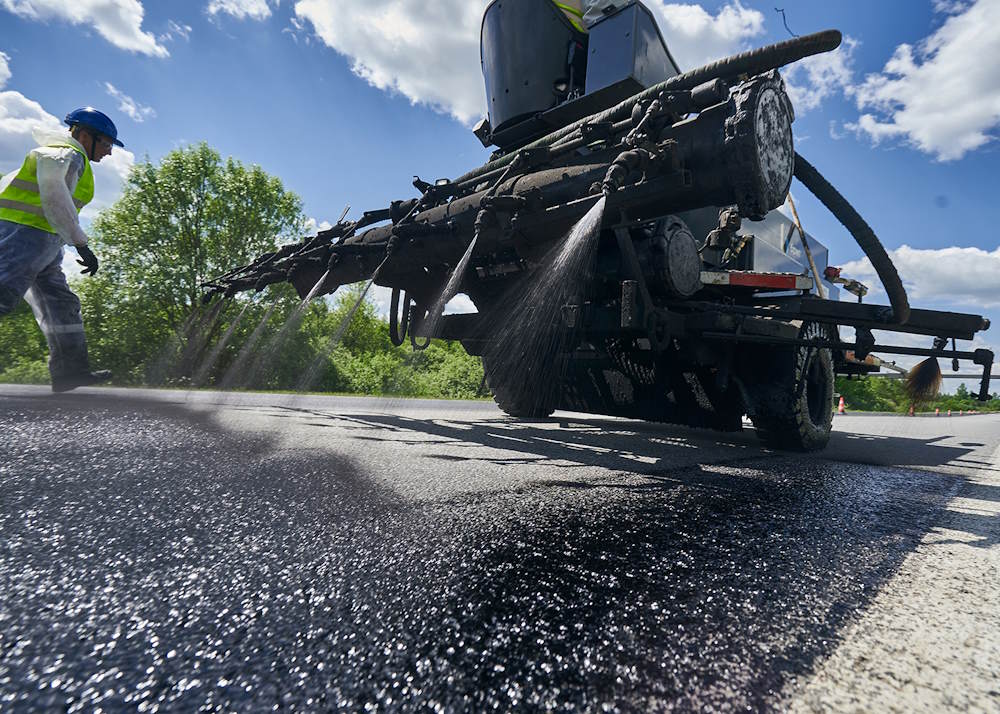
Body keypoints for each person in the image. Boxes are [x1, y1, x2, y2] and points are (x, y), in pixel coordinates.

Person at [0, 107, 122, 392]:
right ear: (83, 134)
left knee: (61, 305)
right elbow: (54, 196)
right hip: (24, 237)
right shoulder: (65, 154)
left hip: (45, 242)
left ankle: (70, 372)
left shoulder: (68, 157)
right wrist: (81, 244)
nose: (110, 152)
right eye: (106, 143)